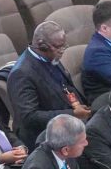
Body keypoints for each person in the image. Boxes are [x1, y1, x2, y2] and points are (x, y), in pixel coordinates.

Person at [9, 20, 92, 148]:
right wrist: (72, 113)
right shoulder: (21, 74)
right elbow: (29, 117)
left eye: (64, 46)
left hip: (70, 122)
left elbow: (66, 87)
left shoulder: (50, 56)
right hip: (46, 136)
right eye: (59, 47)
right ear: (42, 46)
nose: (62, 51)